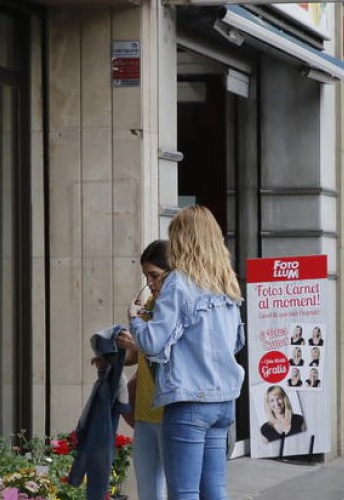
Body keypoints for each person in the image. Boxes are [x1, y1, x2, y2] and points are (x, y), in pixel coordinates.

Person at [123, 205, 245, 500]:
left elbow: (151, 342)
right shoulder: (226, 282)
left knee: (184, 493)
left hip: (189, 399)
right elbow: (236, 342)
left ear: (181, 239)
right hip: (224, 398)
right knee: (214, 490)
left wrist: (136, 320)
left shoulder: (179, 282)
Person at [114, 240, 169, 500]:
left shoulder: (175, 308)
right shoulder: (148, 306)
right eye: (147, 276)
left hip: (172, 412)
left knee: (180, 489)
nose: (150, 283)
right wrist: (112, 357)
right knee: (148, 490)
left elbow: (164, 351)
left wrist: (137, 336)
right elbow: (136, 355)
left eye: (155, 275)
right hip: (145, 410)